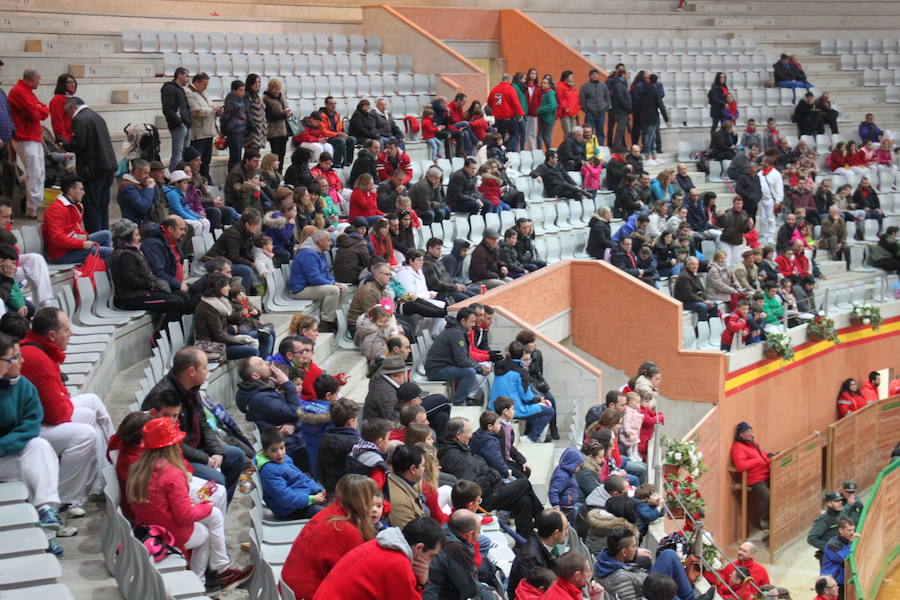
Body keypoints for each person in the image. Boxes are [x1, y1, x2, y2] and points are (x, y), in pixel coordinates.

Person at [127, 417, 252, 590]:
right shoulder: (171, 473)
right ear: (170, 446)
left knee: (210, 519)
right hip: (168, 534)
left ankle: (217, 572)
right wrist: (205, 506)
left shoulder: (138, 468)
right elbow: (185, 516)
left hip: (148, 529)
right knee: (209, 524)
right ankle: (207, 578)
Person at [143, 347, 247, 503]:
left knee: (237, 456)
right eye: (204, 368)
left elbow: (203, 422)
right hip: (176, 458)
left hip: (197, 448)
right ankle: (203, 510)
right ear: (191, 371)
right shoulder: (162, 398)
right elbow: (173, 445)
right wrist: (205, 458)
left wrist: (216, 451)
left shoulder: (191, 387)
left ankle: (217, 509)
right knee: (217, 479)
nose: (207, 372)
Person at [0, 331, 71, 552]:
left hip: (10, 452)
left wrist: (5, 445)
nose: (21, 361)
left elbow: (32, 424)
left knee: (40, 447)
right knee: (33, 472)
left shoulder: (24, 386)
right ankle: (46, 537)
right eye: (14, 358)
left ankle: (45, 513)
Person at [282, 473, 379, 598]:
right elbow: (357, 576)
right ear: (361, 500)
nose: (374, 503)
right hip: (307, 594)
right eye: (371, 497)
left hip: (290, 588)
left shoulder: (329, 512)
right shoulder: (345, 529)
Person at [313, 517, 445, 600]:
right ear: (419, 548)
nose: (430, 562)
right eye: (431, 556)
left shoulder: (376, 543)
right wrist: (421, 583)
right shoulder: (398, 564)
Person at [235, 355, 308, 470]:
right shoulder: (261, 400)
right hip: (291, 447)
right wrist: (287, 384)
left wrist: (294, 424)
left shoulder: (258, 391)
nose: (267, 362)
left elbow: (294, 414)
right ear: (255, 376)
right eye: (261, 363)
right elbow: (297, 412)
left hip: (291, 440)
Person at [108, 218, 186, 323]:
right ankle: (159, 336)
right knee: (176, 302)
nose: (140, 238)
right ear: (128, 237)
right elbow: (131, 281)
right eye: (136, 235)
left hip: (142, 293)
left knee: (181, 296)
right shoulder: (125, 256)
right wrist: (152, 284)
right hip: (130, 298)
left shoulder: (133, 251)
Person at [62, 97, 116, 232]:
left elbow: (79, 144)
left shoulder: (79, 119)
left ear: (72, 107)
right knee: (103, 206)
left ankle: (96, 238)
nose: (68, 117)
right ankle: (104, 236)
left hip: (93, 169)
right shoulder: (96, 116)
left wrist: (65, 144)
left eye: (67, 113)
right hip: (107, 166)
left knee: (92, 207)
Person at [424, 508, 497, 600]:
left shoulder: (445, 532)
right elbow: (470, 589)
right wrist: (494, 597)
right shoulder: (456, 550)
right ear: (470, 533)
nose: (478, 537)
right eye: (478, 532)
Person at [253, 427, 324, 520]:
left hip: (303, 499)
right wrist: (312, 499)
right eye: (274, 450)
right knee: (326, 515)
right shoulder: (268, 471)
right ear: (265, 451)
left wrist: (318, 491)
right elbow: (286, 498)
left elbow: (301, 477)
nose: (279, 453)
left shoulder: (285, 459)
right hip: (290, 511)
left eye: (282, 448)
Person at [425, 308, 491, 406]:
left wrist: (479, 366)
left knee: (473, 369)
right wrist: (480, 369)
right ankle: (458, 403)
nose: (474, 324)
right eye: (472, 322)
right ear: (463, 321)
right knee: (469, 372)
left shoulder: (457, 331)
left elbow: (465, 357)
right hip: (436, 370)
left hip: (442, 366)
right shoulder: (456, 334)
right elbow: (461, 361)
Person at [491, 341, 555, 442]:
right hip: (512, 408)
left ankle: (534, 436)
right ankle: (531, 438)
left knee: (540, 407)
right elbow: (527, 397)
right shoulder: (520, 372)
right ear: (521, 355)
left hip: (494, 406)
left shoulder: (498, 365)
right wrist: (539, 400)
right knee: (549, 411)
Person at [7, 69, 49, 218]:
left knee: (39, 173)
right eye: (38, 79)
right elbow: (34, 114)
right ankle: (34, 209)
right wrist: (38, 109)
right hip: (24, 137)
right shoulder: (19, 92)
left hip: (32, 136)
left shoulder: (27, 91)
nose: (39, 82)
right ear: (32, 79)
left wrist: (38, 109)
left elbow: (43, 110)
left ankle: (36, 206)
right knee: (34, 174)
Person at [43, 174, 113, 264]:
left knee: (105, 234)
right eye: (81, 189)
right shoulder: (56, 209)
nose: (83, 193)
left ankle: (99, 267)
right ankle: (103, 273)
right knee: (109, 252)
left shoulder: (75, 205)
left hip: (73, 246)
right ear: (71, 191)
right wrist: (82, 244)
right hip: (62, 254)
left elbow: (76, 229)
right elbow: (57, 238)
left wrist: (85, 236)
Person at [290, 230, 347, 332]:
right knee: (333, 290)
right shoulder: (308, 254)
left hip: (312, 286)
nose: (331, 243)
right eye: (329, 240)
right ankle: (326, 323)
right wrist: (331, 284)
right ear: (320, 242)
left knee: (343, 288)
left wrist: (334, 282)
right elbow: (313, 278)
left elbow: (325, 273)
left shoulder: (318, 252)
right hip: (301, 290)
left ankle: (334, 317)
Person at [508, 509, 568, 598]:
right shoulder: (531, 558)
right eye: (566, 528)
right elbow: (531, 592)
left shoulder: (546, 546)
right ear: (556, 533)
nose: (567, 532)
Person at [731, 421, 771, 530]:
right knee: (767, 495)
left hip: (766, 474)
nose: (750, 433)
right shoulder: (738, 447)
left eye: (750, 431)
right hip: (754, 479)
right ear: (741, 434)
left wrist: (769, 457)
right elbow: (740, 465)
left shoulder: (753, 443)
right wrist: (757, 460)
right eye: (747, 431)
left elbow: (762, 456)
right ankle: (765, 522)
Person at [316, 398, 361, 493]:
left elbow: (320, 468)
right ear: (351, 422)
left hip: (332, 488)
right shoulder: (357, 444)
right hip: (352, 491)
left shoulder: (324, 439)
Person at [161, 67, 192, 171]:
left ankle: (183, 178)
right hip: (179, 126)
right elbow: (167, 109)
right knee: (177, 156)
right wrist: (179, 122)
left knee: (184, 156)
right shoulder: (169, 88)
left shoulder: (180, 89)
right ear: (179, 75)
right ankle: (174, 179)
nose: (188, 79)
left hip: (185, 124)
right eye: (186, 76)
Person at [821, 518, 858, 599]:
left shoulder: (846, 541)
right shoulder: (833, 545)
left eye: (853, 530)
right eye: (849, 530)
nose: (852, 533)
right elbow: (846, 559)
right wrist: (852, 542)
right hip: (831, 584)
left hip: (840, 582)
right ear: (841, 530)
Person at [674, 257, 719, 322]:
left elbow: (701, 289)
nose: (695, 266)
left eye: (696, 264)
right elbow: (688, 295)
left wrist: (706, 299)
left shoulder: (694, 273)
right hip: (684, 302)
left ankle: (711, 325)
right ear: (687, 264)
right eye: (693, 264)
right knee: (703, 307)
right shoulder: (684, 276)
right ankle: (702, 327)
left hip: (694, 300)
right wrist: (703, 301)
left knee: (713, 304)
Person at [488, 73, 525, 150]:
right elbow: (516, 103)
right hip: (509, 118)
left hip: (498, 120)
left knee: (501, 136)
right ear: (509, 80)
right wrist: (521, 113)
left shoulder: (494, 89)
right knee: (513, 135)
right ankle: (511, 153)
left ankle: (502, 152)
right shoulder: (510, 89)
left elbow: (489, 103)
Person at [807, 491, 844, 564]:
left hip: (841, 555)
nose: (840, 503)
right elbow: (811, 538)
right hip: (828, 559)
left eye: (840, 500)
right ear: (829, 503)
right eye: (836, 501)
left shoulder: (842, 515)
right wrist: (828, 548)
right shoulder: (823, 520)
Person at [580, 69, 610, 146]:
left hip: (601, 112)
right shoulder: (585, 86)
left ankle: (601, 147)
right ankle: (589, 146)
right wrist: (586, 109)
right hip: (590, 112)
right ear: (590, 76)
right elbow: (582, 99)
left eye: (596, 74)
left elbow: (607, 98)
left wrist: (605, 108)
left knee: (600, 132)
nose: (595, 76)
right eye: (593, 74)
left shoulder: (603, 85)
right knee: (589, 132)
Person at [707, 72, 728, 138]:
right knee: (714, 126)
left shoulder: (724, 87)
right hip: (716, 110)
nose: (723, 79)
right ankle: (713, 142)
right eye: (721, 77)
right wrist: (724, 103)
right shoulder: (714, 87)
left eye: (724, 77)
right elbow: (714, 98)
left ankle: (723, 141)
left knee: (724, 126)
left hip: (723, 110)